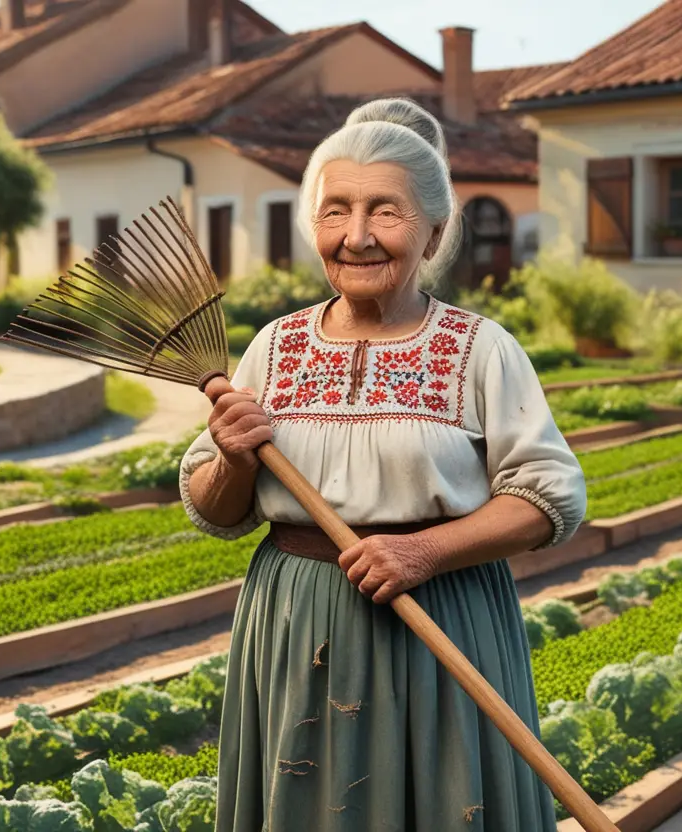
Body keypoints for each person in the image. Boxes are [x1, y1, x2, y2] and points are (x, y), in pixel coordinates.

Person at [179, 98, 587, 832]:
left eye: (385, 213)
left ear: (434, 230)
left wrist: (423, 550)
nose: (357, 236)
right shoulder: (274, 345)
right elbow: (215, 510)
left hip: (441, 617)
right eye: (335, 212)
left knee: (445, 800)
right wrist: (234, 459)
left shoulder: (479, 348)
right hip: (299, 622)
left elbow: (547, 498)